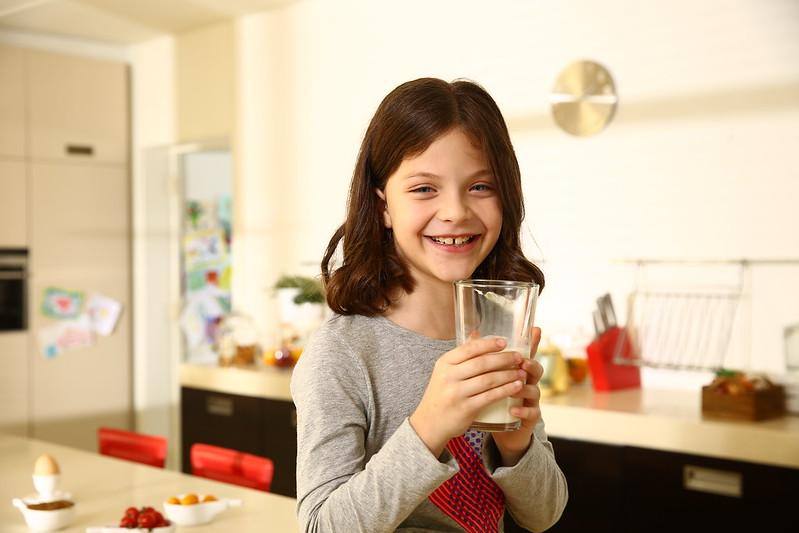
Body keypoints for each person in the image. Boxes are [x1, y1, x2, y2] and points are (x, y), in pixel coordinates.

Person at [291, 77, 568, 532]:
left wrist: (518, 446)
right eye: (423, 189)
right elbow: (321, 526)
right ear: (383, 206)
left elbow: (543, 515)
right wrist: (429, 426)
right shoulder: (343, 354)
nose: (456, 211)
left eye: (481, 186)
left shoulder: (498, 333)